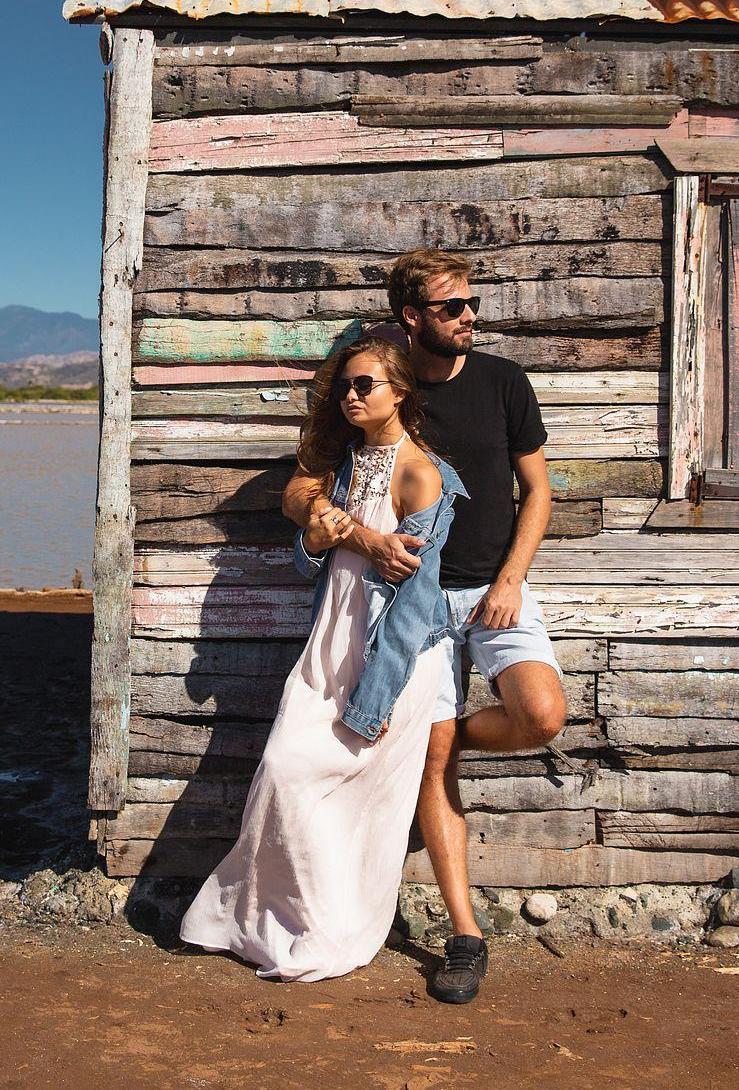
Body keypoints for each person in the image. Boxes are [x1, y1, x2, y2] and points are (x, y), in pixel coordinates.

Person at [282, 249, 561, 1005]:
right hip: (414, 603)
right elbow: (304, 484)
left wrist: (511, 580)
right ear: (412, 316)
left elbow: (538, 490)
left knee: (541, 715)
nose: (469, 316)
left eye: (471, 303)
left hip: (496, 591)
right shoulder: (379, 386)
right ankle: (466, 935)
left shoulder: (504, 382)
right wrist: (337, 524)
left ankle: (440, 735)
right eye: (451, 307)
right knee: (435, 768)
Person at [179, 336, 467, 982]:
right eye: (345, 386)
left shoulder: (421, 474)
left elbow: (414, 606)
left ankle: (331, 931)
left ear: (400, 391)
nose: (351, 396)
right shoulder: (343, 466)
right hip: (328, 643)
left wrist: (377, 698)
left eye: (366, 384)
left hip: (385, 660)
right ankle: (270, 923)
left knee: (345, 799)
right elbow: (315, 563)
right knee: (283, 774)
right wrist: (314, 538)